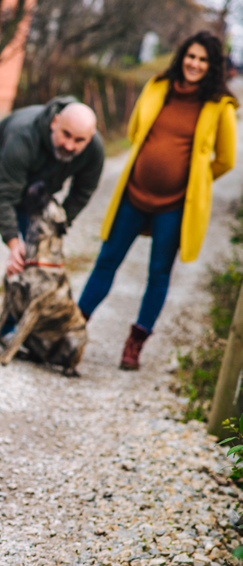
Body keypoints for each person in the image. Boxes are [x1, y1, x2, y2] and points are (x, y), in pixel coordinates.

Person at [77, 31, 238, 370]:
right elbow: (137, 131)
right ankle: (74, 326)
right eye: (191, 56)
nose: (195, 64)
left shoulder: (219, 106)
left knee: (159, 273)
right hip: (133, 194)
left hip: (176, 204)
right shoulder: (157, 87)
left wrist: (193, 181)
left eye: (203, 59)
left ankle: (136, 343)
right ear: (181, 57)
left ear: (212, 67)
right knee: (107, 261)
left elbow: (225, 160)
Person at [0, 98, 104, 349]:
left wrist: (56, 226)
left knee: (34, 252)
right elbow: (4, 195)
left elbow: (82, 192)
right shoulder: (25, 134)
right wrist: (14, 243)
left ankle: (7, 327)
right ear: (55, 122)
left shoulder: (94, 150)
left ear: (90, 138)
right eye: (66, 135)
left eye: (79, 141)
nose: (70, 145)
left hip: (33, 188)